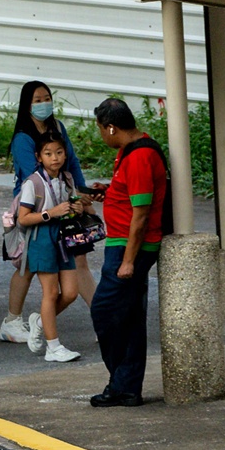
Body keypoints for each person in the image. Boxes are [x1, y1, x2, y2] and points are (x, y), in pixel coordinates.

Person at [0, 80, 94, 344]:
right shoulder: (23, 138)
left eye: (47, 98)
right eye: (37, 101)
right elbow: (34, 177)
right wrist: (59, 205)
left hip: (64, 204)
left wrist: (80, 194)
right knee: (27, 263)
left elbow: (72, 163)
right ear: (27, 105)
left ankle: (99, 316)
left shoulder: (57, 127)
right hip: (38, 209)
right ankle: (12, 321)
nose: (44, 104)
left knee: (78, 259)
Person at [89, 97, 169, 408]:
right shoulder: (132, 149)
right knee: (130, 315)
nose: (101, 134)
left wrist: (128, 261)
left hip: (129, 246)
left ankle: (121, 383)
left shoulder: (139, 157)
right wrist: (110, 192)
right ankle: (126, 387)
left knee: (105, 310)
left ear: (111, 127)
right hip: (124, 243)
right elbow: (133, 196)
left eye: (100, 129)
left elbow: (141, 214)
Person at [15, 134, 85, 363]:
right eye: (48, 153)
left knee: (71, 293)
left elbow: (72, 204)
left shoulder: (67, 178)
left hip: (63, 236)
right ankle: (53, 347)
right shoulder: (33, 183)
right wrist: (50, 213)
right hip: (41, 237)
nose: (54, 158)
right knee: (51, 292)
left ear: (65, 154)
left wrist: (77, 208)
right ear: (39, 157)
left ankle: (39, 321)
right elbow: (23, 218)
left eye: (59, 152)